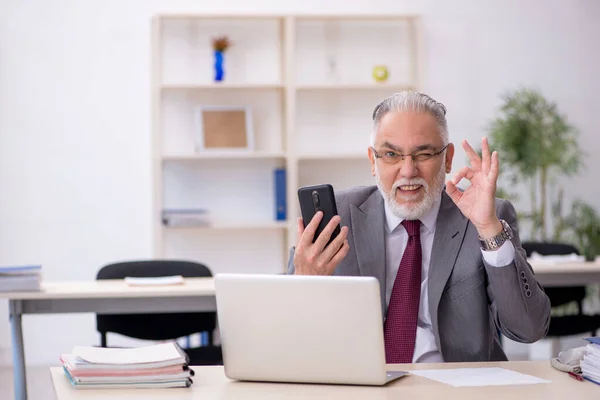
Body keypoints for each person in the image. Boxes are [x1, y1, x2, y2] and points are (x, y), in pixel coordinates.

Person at [287, 91, 551, 363]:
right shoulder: (337, 216)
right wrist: (303, 281)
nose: (408, 170)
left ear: (448, 159)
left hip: (457, 386)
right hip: (360, 386)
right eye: (391, 154)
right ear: (373, 161)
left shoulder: (484, 216)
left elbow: (528, 329)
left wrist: (488, 229)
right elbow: (284, 334)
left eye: (423, 154)